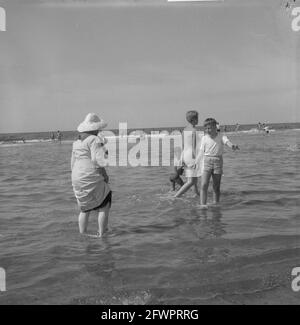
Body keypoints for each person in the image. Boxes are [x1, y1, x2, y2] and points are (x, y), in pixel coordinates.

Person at [71, 113, 111, 237]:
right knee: (105, 202)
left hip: (76, 176)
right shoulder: (95, 139)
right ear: (95, 128)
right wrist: (104, 175)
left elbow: (72, 162)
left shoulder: (76, 141)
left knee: (85, 208)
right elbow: (97, 160)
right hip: (90, 174)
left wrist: (75, 177)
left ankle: (83, 234)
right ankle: (102, 234)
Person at [197, 118, 239, 208]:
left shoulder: (221, 136)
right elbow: (201, 152)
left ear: (215, 127)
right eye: (206, 128)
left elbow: (227, 142)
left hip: (218, 162)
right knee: (204, 184)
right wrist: (196, 162)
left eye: (209, 128)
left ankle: (216, 204)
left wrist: (232, 146)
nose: (207, 130)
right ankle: (202, 205)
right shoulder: (204, 138)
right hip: (206, 162)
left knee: (216, 186)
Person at [174, 110, 202, 198]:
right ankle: (176, 196)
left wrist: (181, 158)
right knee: (191, 181)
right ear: (194, 119)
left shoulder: (184, 130)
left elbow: (182, 145)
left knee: (194, 178)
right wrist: (196, 160)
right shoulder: (193, 130)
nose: (198, 120)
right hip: (191, 156)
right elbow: (194, 147)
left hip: (185, 154)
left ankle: (196, 194)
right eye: (197, 118)